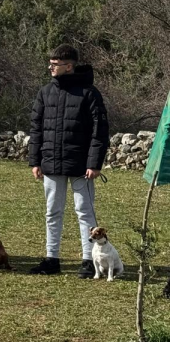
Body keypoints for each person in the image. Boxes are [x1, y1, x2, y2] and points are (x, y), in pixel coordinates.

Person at [28, 45, 110, 277]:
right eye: (50, 63)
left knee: (84, 212)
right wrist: (36, 161)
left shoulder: (89, 93)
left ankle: (88, 260)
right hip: (51, 162)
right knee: (52, 212)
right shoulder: (45, 92)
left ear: (69, 66)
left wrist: (94, 164)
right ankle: (51, 259)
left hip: (82, 165)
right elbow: (36, 129)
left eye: (55, 64)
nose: (50, 67)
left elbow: (99, 130)